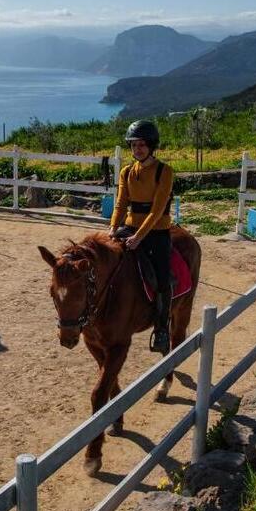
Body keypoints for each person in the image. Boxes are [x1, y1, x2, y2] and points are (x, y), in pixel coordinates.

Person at [109, 120, 174, 353]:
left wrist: (138, 237)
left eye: (142, 145)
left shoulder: (164, 172)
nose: (138, 149)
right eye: (134, 145)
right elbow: (120, 204)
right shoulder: (127, 172)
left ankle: (162, 328)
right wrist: (112, 229)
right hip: (129, 227)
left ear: (152, 146)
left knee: (162, 277)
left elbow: (157, 211)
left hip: (156, 232)